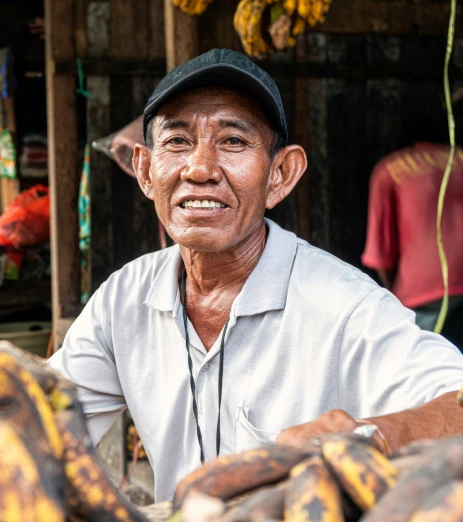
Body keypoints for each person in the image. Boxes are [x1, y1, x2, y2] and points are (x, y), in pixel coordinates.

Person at [47, 49, 463, 503]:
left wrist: (373, 436)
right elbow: (42, 423)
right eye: (178, 142)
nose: (200, 169)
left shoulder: (343, 305)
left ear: (280, 175)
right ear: (146, 171)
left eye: (233, 142)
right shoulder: (123, 300)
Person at [362, 141, 463, 348]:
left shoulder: (389, 169)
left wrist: (395, 303)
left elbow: (380, 255)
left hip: (423, 296)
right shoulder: (459, 157)